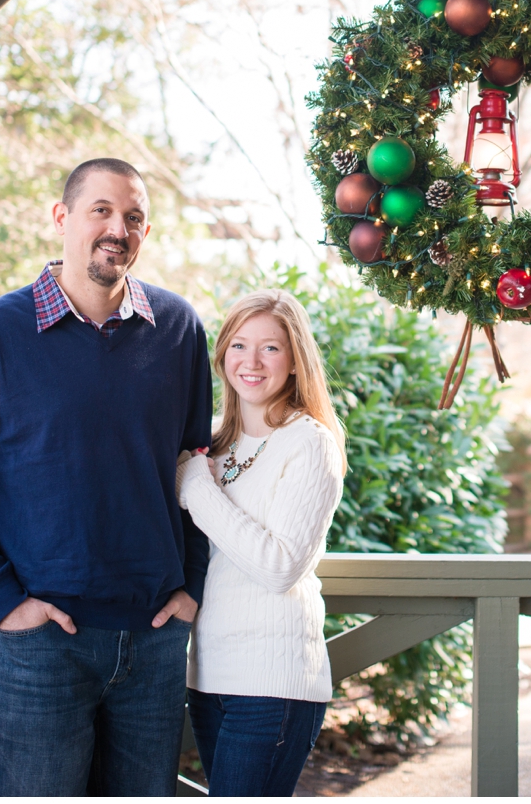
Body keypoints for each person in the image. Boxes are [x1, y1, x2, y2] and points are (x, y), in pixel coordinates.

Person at [0, 158, 212, 796]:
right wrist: (3, 603)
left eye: (133, 217)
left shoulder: (179, 330)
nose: (117, 229)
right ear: (61, 218)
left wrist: (193, 583)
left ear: (146, 233)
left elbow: (198, 470)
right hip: (40, 645)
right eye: (100, 210)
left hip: (155, 640)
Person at [177, 290, 346, 797]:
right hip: (207, 674)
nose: (251, 362)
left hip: (274, 680)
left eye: (270, 348)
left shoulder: (310, 441)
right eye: (239, 345)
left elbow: (279, 567)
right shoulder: (212, 446)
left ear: (295, 361)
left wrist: (196, 489)